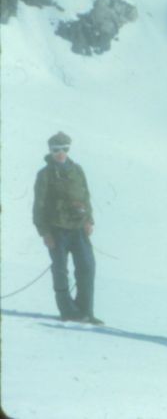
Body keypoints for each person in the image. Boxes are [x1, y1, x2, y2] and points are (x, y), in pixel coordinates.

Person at [32, 131, 102, 325]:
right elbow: (39, 206)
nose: (60, 153)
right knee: (60, 271)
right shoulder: (45, 174)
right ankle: (68, 311)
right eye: (56, 150)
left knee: (87, 268)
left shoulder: (77, 170)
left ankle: (86, 311)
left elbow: (86, 196)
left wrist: (89, 219)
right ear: (50, 151)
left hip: (79, 228)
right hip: (56, 230)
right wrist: (45, 233)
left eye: (64, 149)